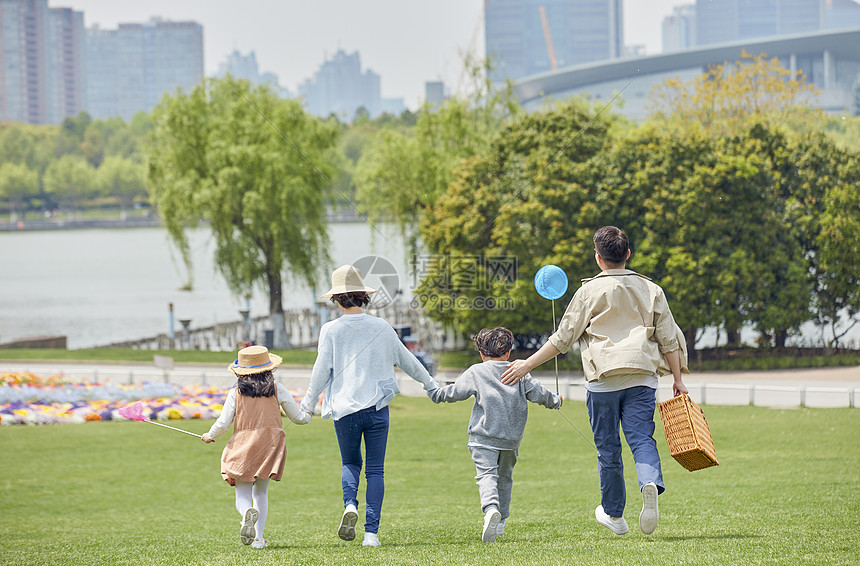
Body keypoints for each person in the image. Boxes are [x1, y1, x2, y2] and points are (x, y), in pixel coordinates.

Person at [501, 226, 689, 536]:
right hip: (642, 377)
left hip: (602, 381)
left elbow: (562, 339)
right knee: (642, 439)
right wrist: (678, 380)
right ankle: (650, 481)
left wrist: (526, 365)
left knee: (607, 448)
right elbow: (669, 340)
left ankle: (615, 515)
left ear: (598, 258)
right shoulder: (652, 289)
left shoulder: (588, 291)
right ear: (627, 254)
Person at [300, 264, 440, 547]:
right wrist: (430, 385)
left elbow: (320, 371)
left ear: (337, 299)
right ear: (363, 296)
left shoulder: (330, 330)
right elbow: (407, 361)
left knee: (350, 463)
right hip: (377, 408)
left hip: (345, 410)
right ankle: (371, 534)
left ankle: (350, 505)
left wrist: (307, 405)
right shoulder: (381, 327)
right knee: (376, 470)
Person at [428, 327, 561, 543]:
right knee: (505, 479)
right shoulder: (520, 370)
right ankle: (500, 523)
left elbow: (452, 393)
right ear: (508, 352)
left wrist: (434, 393)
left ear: (481, 353)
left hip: (483, 439)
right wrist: (557, 401)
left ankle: (490, 509)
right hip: (511, 440)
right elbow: (540, 395)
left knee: (486, 475)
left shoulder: (476, 372)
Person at [202, 345, 310, 549]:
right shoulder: (277, 389)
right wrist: (307, 417)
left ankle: (246, 515)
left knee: (242, 493)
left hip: (244, 444)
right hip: (271, 443)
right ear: (269, 368)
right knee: (260, 493)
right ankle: (258, 539)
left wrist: (210, 435)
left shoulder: (236, 393)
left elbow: (224, 423)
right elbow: (297, 417)